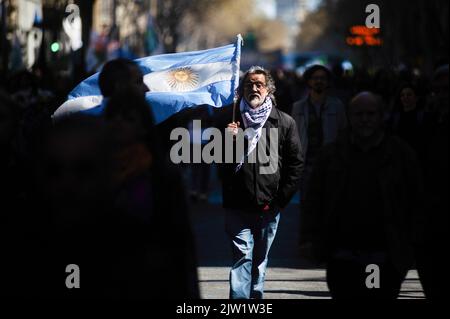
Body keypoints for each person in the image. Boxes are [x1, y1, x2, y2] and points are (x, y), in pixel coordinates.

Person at [300, 92, 423, 299]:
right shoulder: (332, 155)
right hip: (342, 253)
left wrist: (411, 246)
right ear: (349, 116)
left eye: (370, 114)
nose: (364, 119)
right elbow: (314, 199)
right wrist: (308, 238)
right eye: (359, 114)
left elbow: (415, 200)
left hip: (382, 254)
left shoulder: (399, 154)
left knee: (374, 295)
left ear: (381, 116)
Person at [219, 66, 303, 299]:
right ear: (241, 90)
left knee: (259, 259)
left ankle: (256, 299)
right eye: (249, 85)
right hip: (237, 206)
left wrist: (281, 200)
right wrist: (228, 141)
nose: (254, 88)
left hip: (269, 207)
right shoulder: (229, 120)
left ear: (269, 89)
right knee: (242, 256)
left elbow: (295, 164)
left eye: (259, 84)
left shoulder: (284, 122)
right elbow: (216, 163)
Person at [291, 64, 347, 245]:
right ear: (309, 81)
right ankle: (306, 241)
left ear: (328, 82)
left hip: (330, 163)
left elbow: (344, 132)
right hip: (306, 164)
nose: (319, 81)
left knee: (330, 203)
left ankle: (327, 241)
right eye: (315, 78)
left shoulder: (337, 106)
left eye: (322, 78)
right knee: (307, 204)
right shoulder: (298, 107)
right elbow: (292, 136)